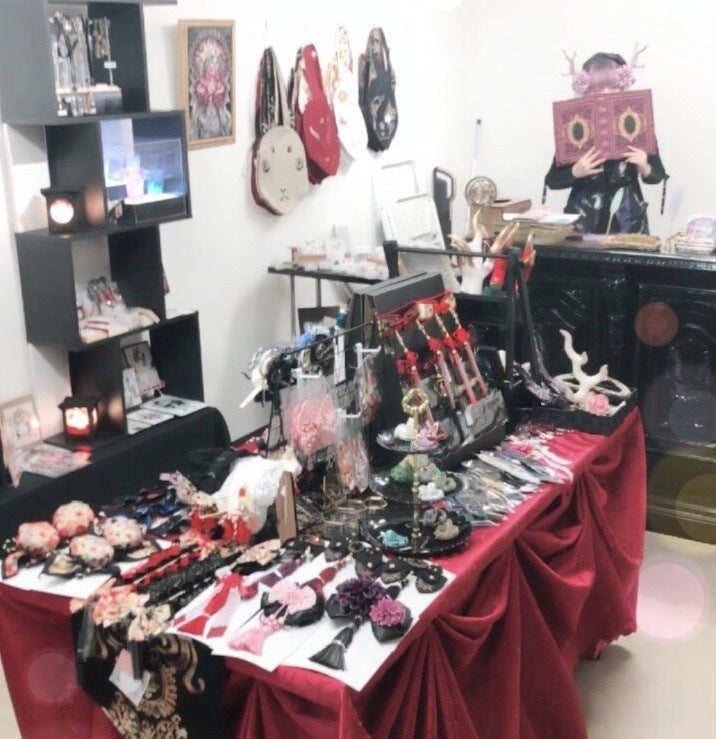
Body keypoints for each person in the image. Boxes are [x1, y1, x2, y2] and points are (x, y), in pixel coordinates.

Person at [544, 49, 668, 234]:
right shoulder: (576, 129)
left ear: (623, 89)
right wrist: (575, 172)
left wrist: (644, 166)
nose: (606, 93)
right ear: (586, 92)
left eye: (613, 88)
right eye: (597, 89)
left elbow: (657, 176)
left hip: (628, 219)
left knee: (628, 253)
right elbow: (552, 181)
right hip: (583, 219)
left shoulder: (637, 127)